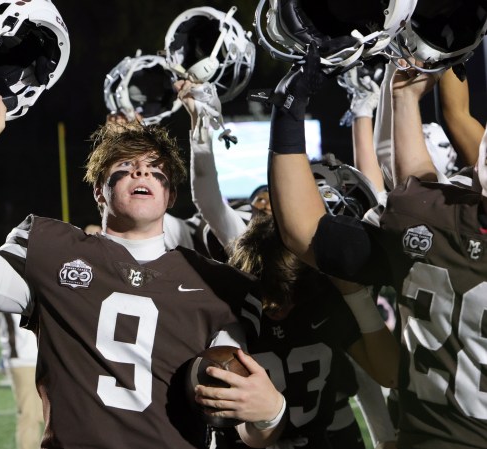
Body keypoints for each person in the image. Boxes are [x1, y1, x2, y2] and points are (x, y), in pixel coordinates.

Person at [0, 96, 284, 449]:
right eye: (124, 166)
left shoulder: (217, 285)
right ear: (99, 192)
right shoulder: (53, 253)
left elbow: (244, 425)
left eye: (156, 169)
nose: (141, 169)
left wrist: (270, 414)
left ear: (170, 196)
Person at [267, 44, 487, 449]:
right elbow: (418, 179)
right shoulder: (440, 219)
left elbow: (305, 233)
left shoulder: (441, 223)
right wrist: (403, 96)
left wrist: (288, 116)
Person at [176, 77, 398, 449]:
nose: (276, 305)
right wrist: (200, 127)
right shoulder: (246, 253)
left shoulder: (326, 288)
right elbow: (211, 199)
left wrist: (355, 296)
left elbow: (386, 374)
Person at [195, 213, 399, 449]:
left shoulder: (322, 303)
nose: (278, 310)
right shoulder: (231, 312)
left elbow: (390, 374)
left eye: (290, 294)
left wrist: (353, 293)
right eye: (270, 295)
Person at [0, 312, 44, 449]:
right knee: (29, 415)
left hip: (43, 356)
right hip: (23, 358)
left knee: (46, 414)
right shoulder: (10, 292)